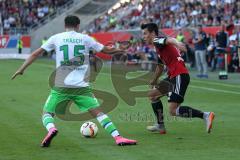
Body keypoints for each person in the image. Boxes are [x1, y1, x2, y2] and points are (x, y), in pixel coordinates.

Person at [11, 15, 137, 147]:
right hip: (81, 86)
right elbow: (107, 50)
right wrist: (121, 49)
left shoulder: (56, 38)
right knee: (98, 113)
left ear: (65, 25)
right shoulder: (85, 38)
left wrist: (21, 69)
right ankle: (118, 137)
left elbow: (35, 54)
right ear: (78, 26)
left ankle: (51, 129)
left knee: (47, 113)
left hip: (61, 85)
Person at [141, 23, 215, 134]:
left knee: (173, 110)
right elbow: (160, 66)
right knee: (153, 95)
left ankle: (206, 115)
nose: (143, 36)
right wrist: (154, 80)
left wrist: (178, 43)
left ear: (152, 33)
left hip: (179, 75)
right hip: (173, 77)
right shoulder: (158, 47)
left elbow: (169, 40)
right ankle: (160, 126)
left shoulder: (157, 40)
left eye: (145, 33)